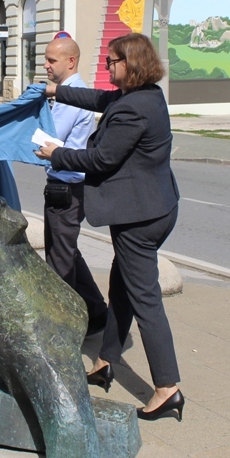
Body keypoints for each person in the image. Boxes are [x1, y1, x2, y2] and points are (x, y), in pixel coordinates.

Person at [35, 33, 183, 422]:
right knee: (122, 288)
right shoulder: (143, 96)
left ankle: (167, 389)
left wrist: (57, 153)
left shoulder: (133, 109)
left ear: (129, 64)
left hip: (139, 218)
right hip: (155, 207)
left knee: (145, 300)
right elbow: (97, 99)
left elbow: (101, 159)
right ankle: (105, 360)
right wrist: (55, 90)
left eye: (111, 62)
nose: (107, 68)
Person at [41, 33, 108, 335]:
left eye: (51, 60)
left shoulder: (71, 96)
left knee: (59, 263)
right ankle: (96, 313)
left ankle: (64, 330)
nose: (45, 65)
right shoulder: (69, 92)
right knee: (68, 254)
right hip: (67, 187)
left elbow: (50, 137)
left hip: (65, 188)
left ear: (70, 61)